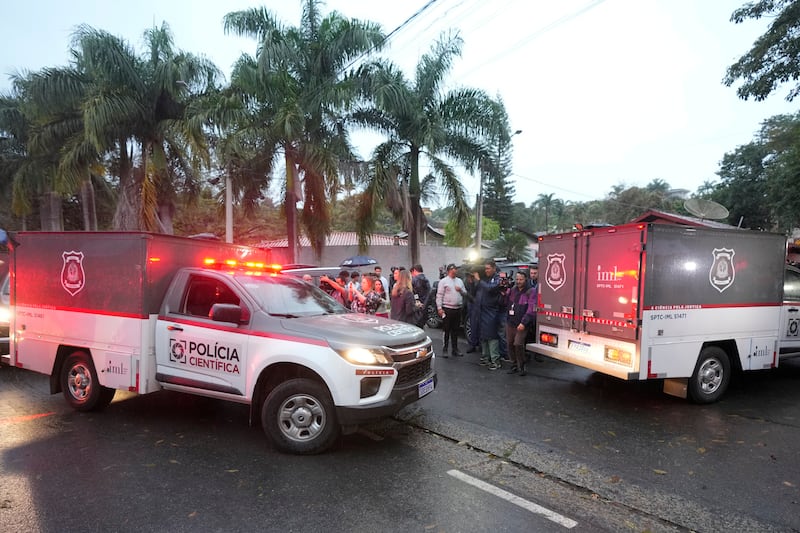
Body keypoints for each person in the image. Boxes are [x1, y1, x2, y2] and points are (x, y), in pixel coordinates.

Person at [504, 270, 537, 376]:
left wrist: (524, 322)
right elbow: (506, 303)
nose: (518, 281)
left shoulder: (531, 291)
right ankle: (513, 364)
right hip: (511, 322)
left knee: (518, 343)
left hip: (522, 323)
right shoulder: (513, 290)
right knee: (509, 343)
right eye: (517, 279)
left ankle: (521, 365)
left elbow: (531, 308)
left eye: (521, 279)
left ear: (525, 279)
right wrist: (504, 293)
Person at [476, 260, 503, 370]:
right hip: (483, 310)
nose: (486, 270)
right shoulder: (486, 278)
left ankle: (495, 361)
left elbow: (490, 288)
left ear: (494, 268)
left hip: (492, 311)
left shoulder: (498, 278)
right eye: (485, 268)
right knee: (484, 336)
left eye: (488, 268)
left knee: (492, 336)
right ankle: (485, 358)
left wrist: (479, 280)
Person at [436, 263, 466, 357]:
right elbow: (439, 295)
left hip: (457, 308)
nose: (455, 271)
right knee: (446, 330)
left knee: (455, 330)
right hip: (447, 308)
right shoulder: (444, 281)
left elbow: (465, 292)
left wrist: (460, 290)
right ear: (449, 271)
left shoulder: (459, 281)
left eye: (455, 270)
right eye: (453, 270)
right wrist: (439, 308)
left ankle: (455, 349)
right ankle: (445, 349)